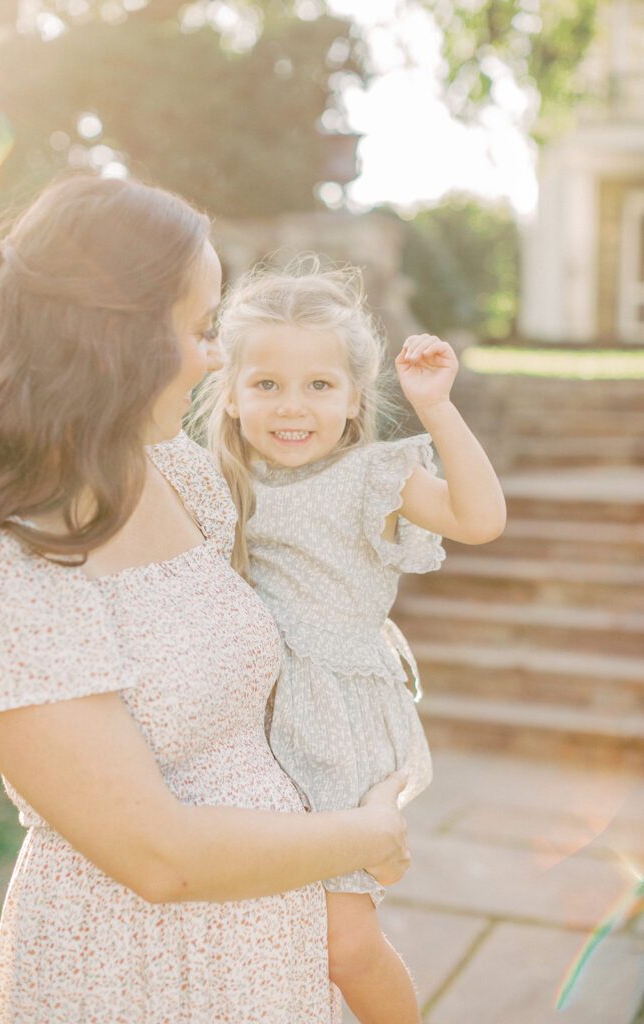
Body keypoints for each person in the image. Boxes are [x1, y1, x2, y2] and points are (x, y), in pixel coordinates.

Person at [0, 175, 411, 1024]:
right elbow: (157, 856)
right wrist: (368, 835)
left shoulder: (177, 474)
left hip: (270, 932)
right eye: (200, 329)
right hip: (136, 963)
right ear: (113, 340)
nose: (213, 358)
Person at [194, 258, 507, 1024]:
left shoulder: (374, 476)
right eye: (266, 384)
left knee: (344, 941)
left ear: (354, 397)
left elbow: (479, 519)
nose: (291, 407)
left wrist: (434, 407)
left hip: (338, 720)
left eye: (318, 385)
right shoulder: (213, 479)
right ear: (229, 393)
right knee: (263, 926)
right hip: (250, 721)